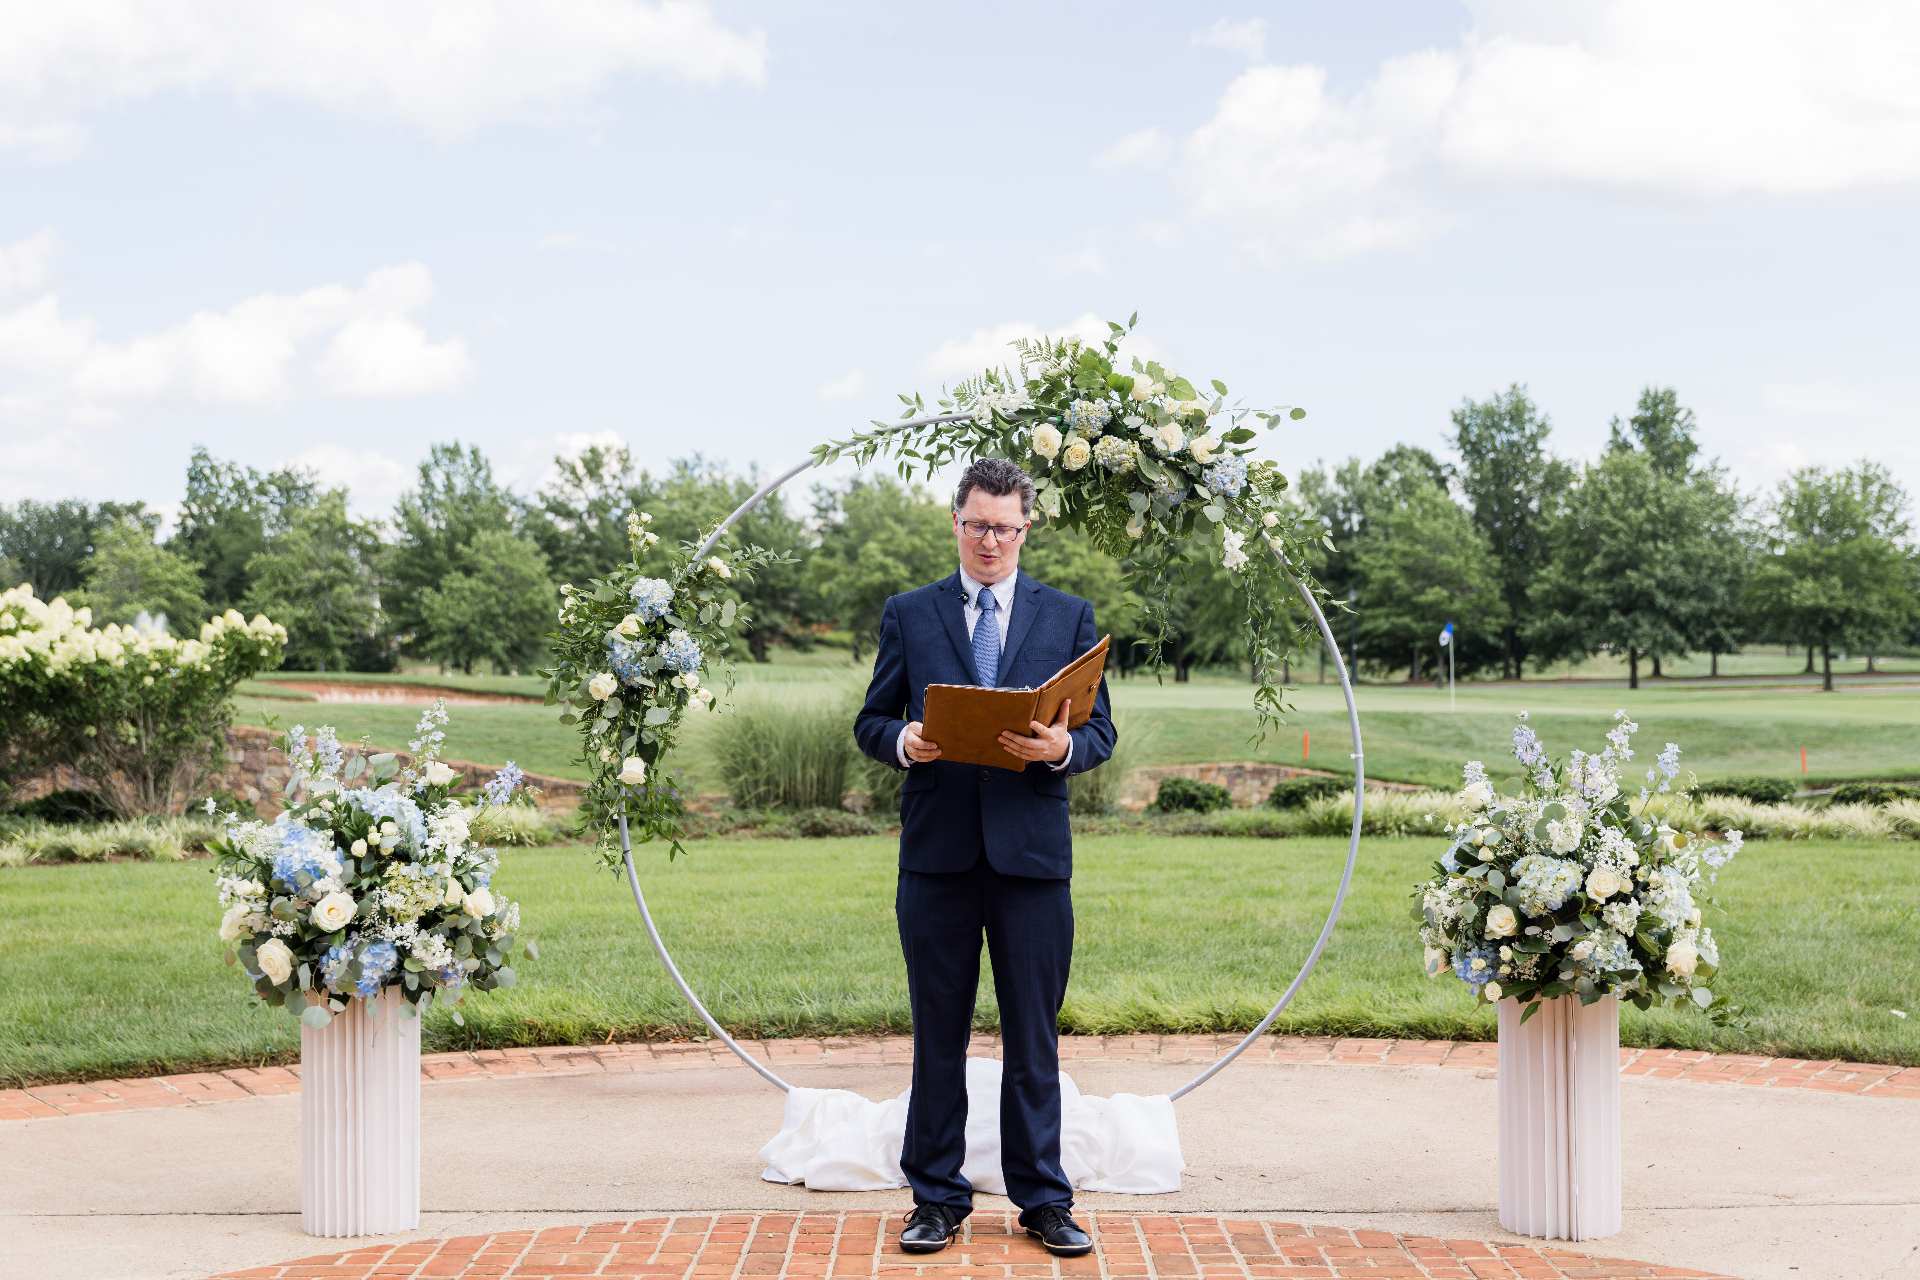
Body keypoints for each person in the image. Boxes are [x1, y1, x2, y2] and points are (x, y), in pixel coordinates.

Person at [855, 458, 1116, 1258]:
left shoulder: (1070, 618)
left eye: (1004, 526)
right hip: (936, 859)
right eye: (977, 525)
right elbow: (872, 720)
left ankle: (1042, 1198)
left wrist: (1059, 743)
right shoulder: (910, 612)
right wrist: (906, 739)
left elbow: (1100, 733)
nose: (990, 539)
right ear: (956, 523)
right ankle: (936, 1198)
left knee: (1033, 1037)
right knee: (939, 1036)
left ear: (1025, 527)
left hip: (1033, 861)